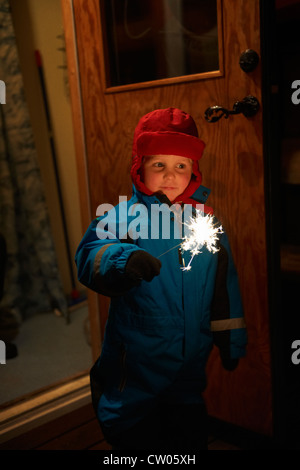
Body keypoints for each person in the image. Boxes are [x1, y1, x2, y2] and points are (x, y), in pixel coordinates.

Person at [75, 107, 247, 450]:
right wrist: (124, 259)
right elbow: (89, 256)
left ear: (194, 170)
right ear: (140, 167)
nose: (171, 175)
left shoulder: (206, 223)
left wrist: (231, 340)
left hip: (189, 364)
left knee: (188, 434)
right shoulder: (122, 217)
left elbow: (224, 288)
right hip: (137, 360)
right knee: (133, 433)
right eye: (159, 165)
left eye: (180, 165)